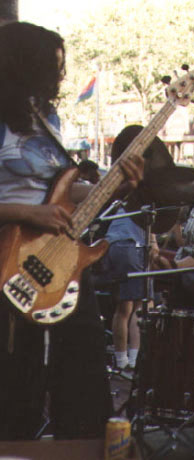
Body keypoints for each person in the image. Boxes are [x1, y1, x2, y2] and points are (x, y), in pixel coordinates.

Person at [0, 22, 143, 440]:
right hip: (9, 257)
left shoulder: (45, 118)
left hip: (59, 257)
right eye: (52, 66)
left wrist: (117, 185)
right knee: (14, 384)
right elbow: (37, 203)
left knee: (84, 376)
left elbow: (62, 190)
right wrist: (28, 214)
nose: (60, 76)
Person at [98, 126, 173, 370]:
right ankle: (129, 359)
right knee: (134, 307)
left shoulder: (127, 186)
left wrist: (153, 244)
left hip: (122, 244)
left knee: (130, 307)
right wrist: (153, 245)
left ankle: (127, 358)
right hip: (130, 245)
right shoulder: (139, 188)